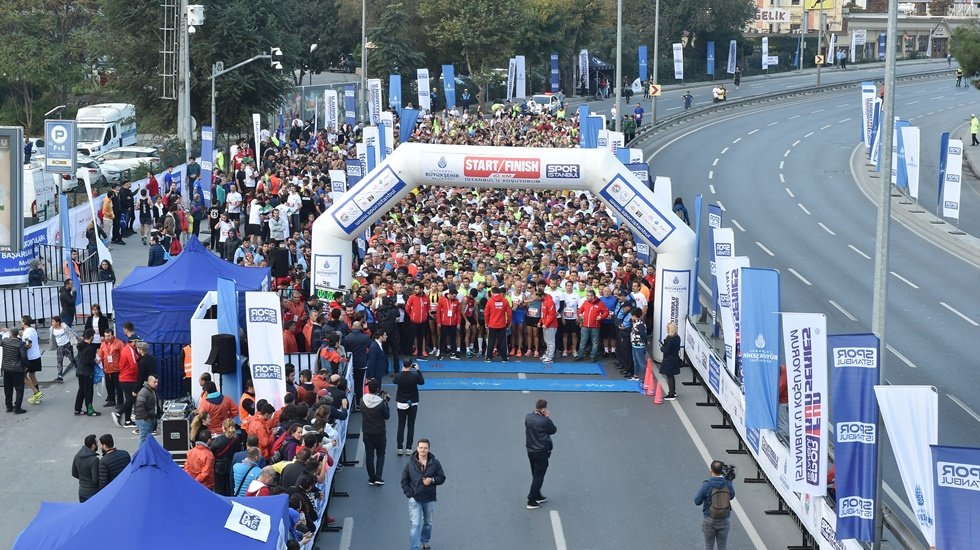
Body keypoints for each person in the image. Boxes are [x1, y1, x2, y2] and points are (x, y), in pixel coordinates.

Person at [401, 438, 447, 550]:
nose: (423, 450)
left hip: (429, 499)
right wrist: (409, 495)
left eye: (425, 448)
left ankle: (424, 542)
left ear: (429, 449)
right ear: (417, 448)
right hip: (415, 499)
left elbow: (442, 478)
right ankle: (414, 548)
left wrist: (432, 480)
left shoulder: (435, 463)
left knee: (428, 523)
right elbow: (404, 480)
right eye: (421, 447)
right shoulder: (410, 464)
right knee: (415, 524)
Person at [695, 460, 736, 550]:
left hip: (709, 518)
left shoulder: (707, 485)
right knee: (722, 546)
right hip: (724, 519)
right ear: (722, 471)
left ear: (711, 470)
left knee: (708, 546)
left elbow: (697, 501)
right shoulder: (727, 483)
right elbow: (732, 496)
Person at [525, 399, 556, 510]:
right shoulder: (544, 421)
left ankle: (537, 494)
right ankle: (531, 500)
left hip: (531, 450)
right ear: (543, 409)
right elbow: (553, 430)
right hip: (541, 451)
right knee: (539, 476)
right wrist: (546, 417)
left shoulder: (528, 417)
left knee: (535, 474)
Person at [361, 378, 390, 486]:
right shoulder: (381, 402)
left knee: (369, 455)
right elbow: (387, 416)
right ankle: (378, 476)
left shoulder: (362, 400)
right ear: (378, 389)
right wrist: (386, 402)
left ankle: (371, 478)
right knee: (380, 454)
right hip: (379, 432)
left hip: (367, 432)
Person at [393, 359, 425, 455]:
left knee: (401, 425)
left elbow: (394, 381)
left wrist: (402, 371)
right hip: (413, 403)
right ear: (411, 365)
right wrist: (418, 370)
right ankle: (408, 448)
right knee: (411, 426)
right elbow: (422, 382)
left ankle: (399, 448)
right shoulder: (414, 376)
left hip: (401, 403)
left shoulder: (398, 376)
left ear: (403, 365)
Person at [575, 289, 608, 362]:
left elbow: (606, 312)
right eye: (587, 295)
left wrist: (601, 317)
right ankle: (580, 355)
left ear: (593, 296)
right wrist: (580, 314)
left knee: (595, 342)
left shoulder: (600, 303)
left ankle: (593, 356)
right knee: (583, 341)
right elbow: (580, 310)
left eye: (588, 296)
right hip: (585, 325)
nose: (587, 297)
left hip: (595, 326)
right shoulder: (585, 302)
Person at [74, 328, 101, 416]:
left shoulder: (81, 346)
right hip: (87, 372)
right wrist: (95, 361)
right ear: (92, 337)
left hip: (80, 371)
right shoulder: (89, 349)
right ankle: (90, 410)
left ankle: (77, 409)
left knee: (81, 390)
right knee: (89, 391)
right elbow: (89, 361)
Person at [2, 327, 29, 414]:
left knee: (8, 388)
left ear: (10, 333)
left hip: (6, 368)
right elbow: (24, 357)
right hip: (17, 369)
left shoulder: (5, 341)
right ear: (17, 334)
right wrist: (26, 366)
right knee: (19, 388)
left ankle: (8, 406)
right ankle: (17, 408)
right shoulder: (20, 344)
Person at [484, 286, 512, 362]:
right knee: (503, 341)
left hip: (492, 324)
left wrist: (486, 322)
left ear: (492, 293)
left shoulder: (490, 301)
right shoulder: (505, 300)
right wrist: (508, 322)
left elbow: (486, 313)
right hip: (502, 324)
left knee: (491, 341)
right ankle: (504, 358)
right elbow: (509, 313)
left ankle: (489, 357)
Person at [72, 434, 101, 502]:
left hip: (81, 491)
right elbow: (95, 480)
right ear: (93, 446)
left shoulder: (77, 456)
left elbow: (74, 473)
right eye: (96, 443)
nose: (98, 445)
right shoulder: (94, 460)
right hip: (93, 492)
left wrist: (83, 478)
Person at [21, 316, 43, 405]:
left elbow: (28, 344)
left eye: (21, 321)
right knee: (32, 375)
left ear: (24, 322)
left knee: (22, 375)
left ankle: (36, 392)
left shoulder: (26, 333)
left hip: (30, 358)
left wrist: (21, 347)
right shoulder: (32, 329)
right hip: (36, 355)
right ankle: (37, 395)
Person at [134, 374, 160, 447]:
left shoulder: (152, 391)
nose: (156, 384)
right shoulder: (144, 391)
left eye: (157, 382)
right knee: (144, 440)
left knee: (146, 440)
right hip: (144, 420)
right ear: (149, 382)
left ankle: (143, 456)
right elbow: (139, 406)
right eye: (154, 382)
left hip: (148, 419)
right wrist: (146, 418)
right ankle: (140, 457)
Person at [50, 315, 77, 382]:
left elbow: (71, 332)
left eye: (53, 322)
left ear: (58, 322)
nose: (52, 323)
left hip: (67, 345)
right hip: (60, 346)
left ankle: (77, 367)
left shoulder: (64, 327)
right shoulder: (52, 329)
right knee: (59, 360)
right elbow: (52, 338)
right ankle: (60, 376)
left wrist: (77, 338)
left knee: (71, 358)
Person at [659, 321, 681, 400]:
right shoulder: (677, 337)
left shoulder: (670, 339)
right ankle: (673, 392)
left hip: (669, 360)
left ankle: (671, 393)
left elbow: (666, 350)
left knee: (669, 376)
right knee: (671, 375)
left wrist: (662, 348)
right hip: (674, 358)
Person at [629, 309, 647, 381]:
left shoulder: (640, 324)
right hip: (634, 345)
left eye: (632, 316)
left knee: (641, 362)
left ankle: (645, 378)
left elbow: (644, 335)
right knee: (635, 361)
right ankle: (636, 375)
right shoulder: (636, 323)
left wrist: (645, 342)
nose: (631, 317)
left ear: (635, 316)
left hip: (639, 345)